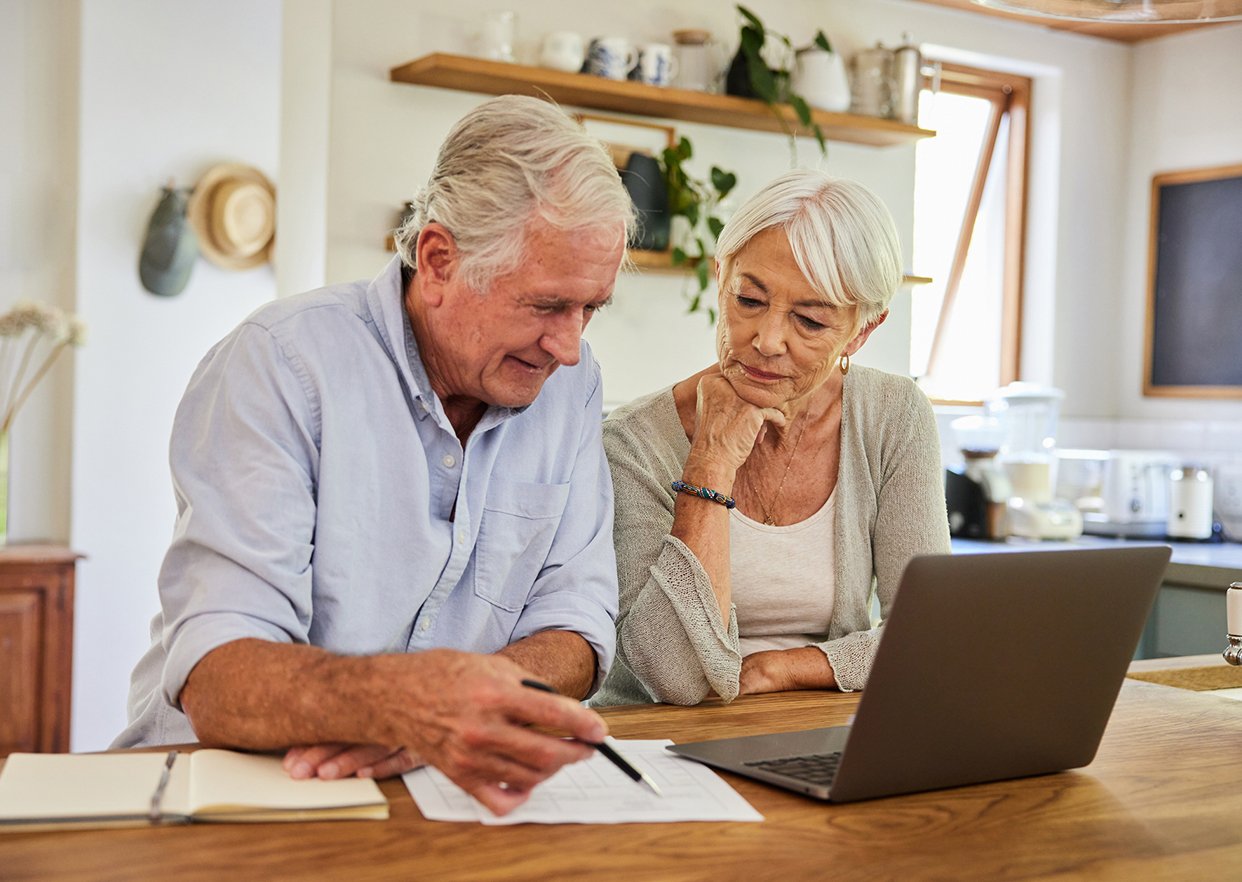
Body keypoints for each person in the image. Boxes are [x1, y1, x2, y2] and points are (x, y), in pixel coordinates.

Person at [115, 95, 636, 816]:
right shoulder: (279, 366)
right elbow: (219, 673)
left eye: (591, 309)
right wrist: (411, 707)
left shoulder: (571, 385)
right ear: (439, 259)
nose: (570, 346)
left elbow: (577, 620)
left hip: (435, 788)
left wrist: (444, 717)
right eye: (547, 306)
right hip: (222, 791)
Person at [592, 169, 950, 707]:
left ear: (862, 331)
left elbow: (930, 636)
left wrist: (780, 668)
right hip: (663, 746)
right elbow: (675, 678)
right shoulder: (631, 442)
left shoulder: (893, 416)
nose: (766, 340)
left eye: (808, 321)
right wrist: (709, 462)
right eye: (750, 301)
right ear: (721, 278)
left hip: (817, 732)